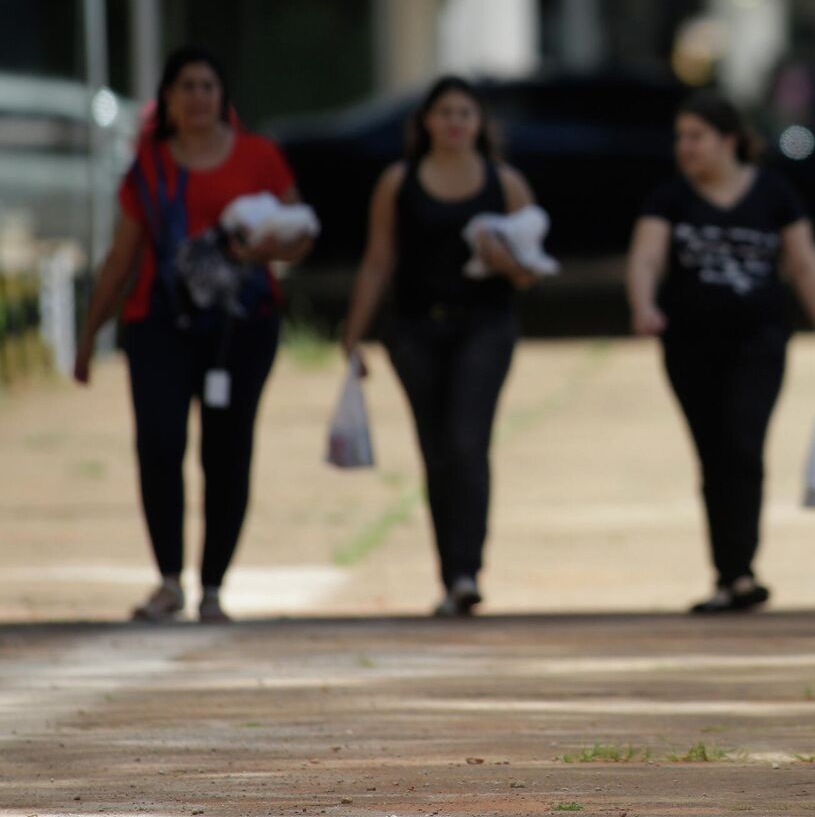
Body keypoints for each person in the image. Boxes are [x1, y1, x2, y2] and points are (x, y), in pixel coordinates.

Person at [73, 46, 313, 623]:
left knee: (227, 451)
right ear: (168, 100)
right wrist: (89, 335)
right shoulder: (149, 169)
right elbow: (121, 257)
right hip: (159, 323)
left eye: (208, 85)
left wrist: (271, 250)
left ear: (222, 97)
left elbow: (300, 230)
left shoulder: (259, 156)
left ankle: (212, 585)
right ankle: (168, 578)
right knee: (158, 443)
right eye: (186, 86)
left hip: (242, 326)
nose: (198, 97)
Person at [627, 91, 815, 615]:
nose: (686, 147)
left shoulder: (774, 194)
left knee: (744, 446)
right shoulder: (669, 198)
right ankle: (730, 575)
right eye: (681, 137)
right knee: (714, 453)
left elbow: (805, 267)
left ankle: (741, 571)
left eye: (696, 136)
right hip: (689, 346)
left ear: (729, 140)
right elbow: (645, 258)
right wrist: (643, 306)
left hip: (759, 343)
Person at [340, 76, 543, 618]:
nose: (455, 123)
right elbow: (380, 258)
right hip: (414, 328)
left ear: (479, 124)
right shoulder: (398, 182)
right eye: (445, 112)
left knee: (467, 440)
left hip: (485, 324)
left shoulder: (506, 184)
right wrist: (354, 329)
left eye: (465, 113)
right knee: (435, 449)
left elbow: (532, 270)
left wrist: (509, 264)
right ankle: (450, 572)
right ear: (426, 121)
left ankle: (468, 569)